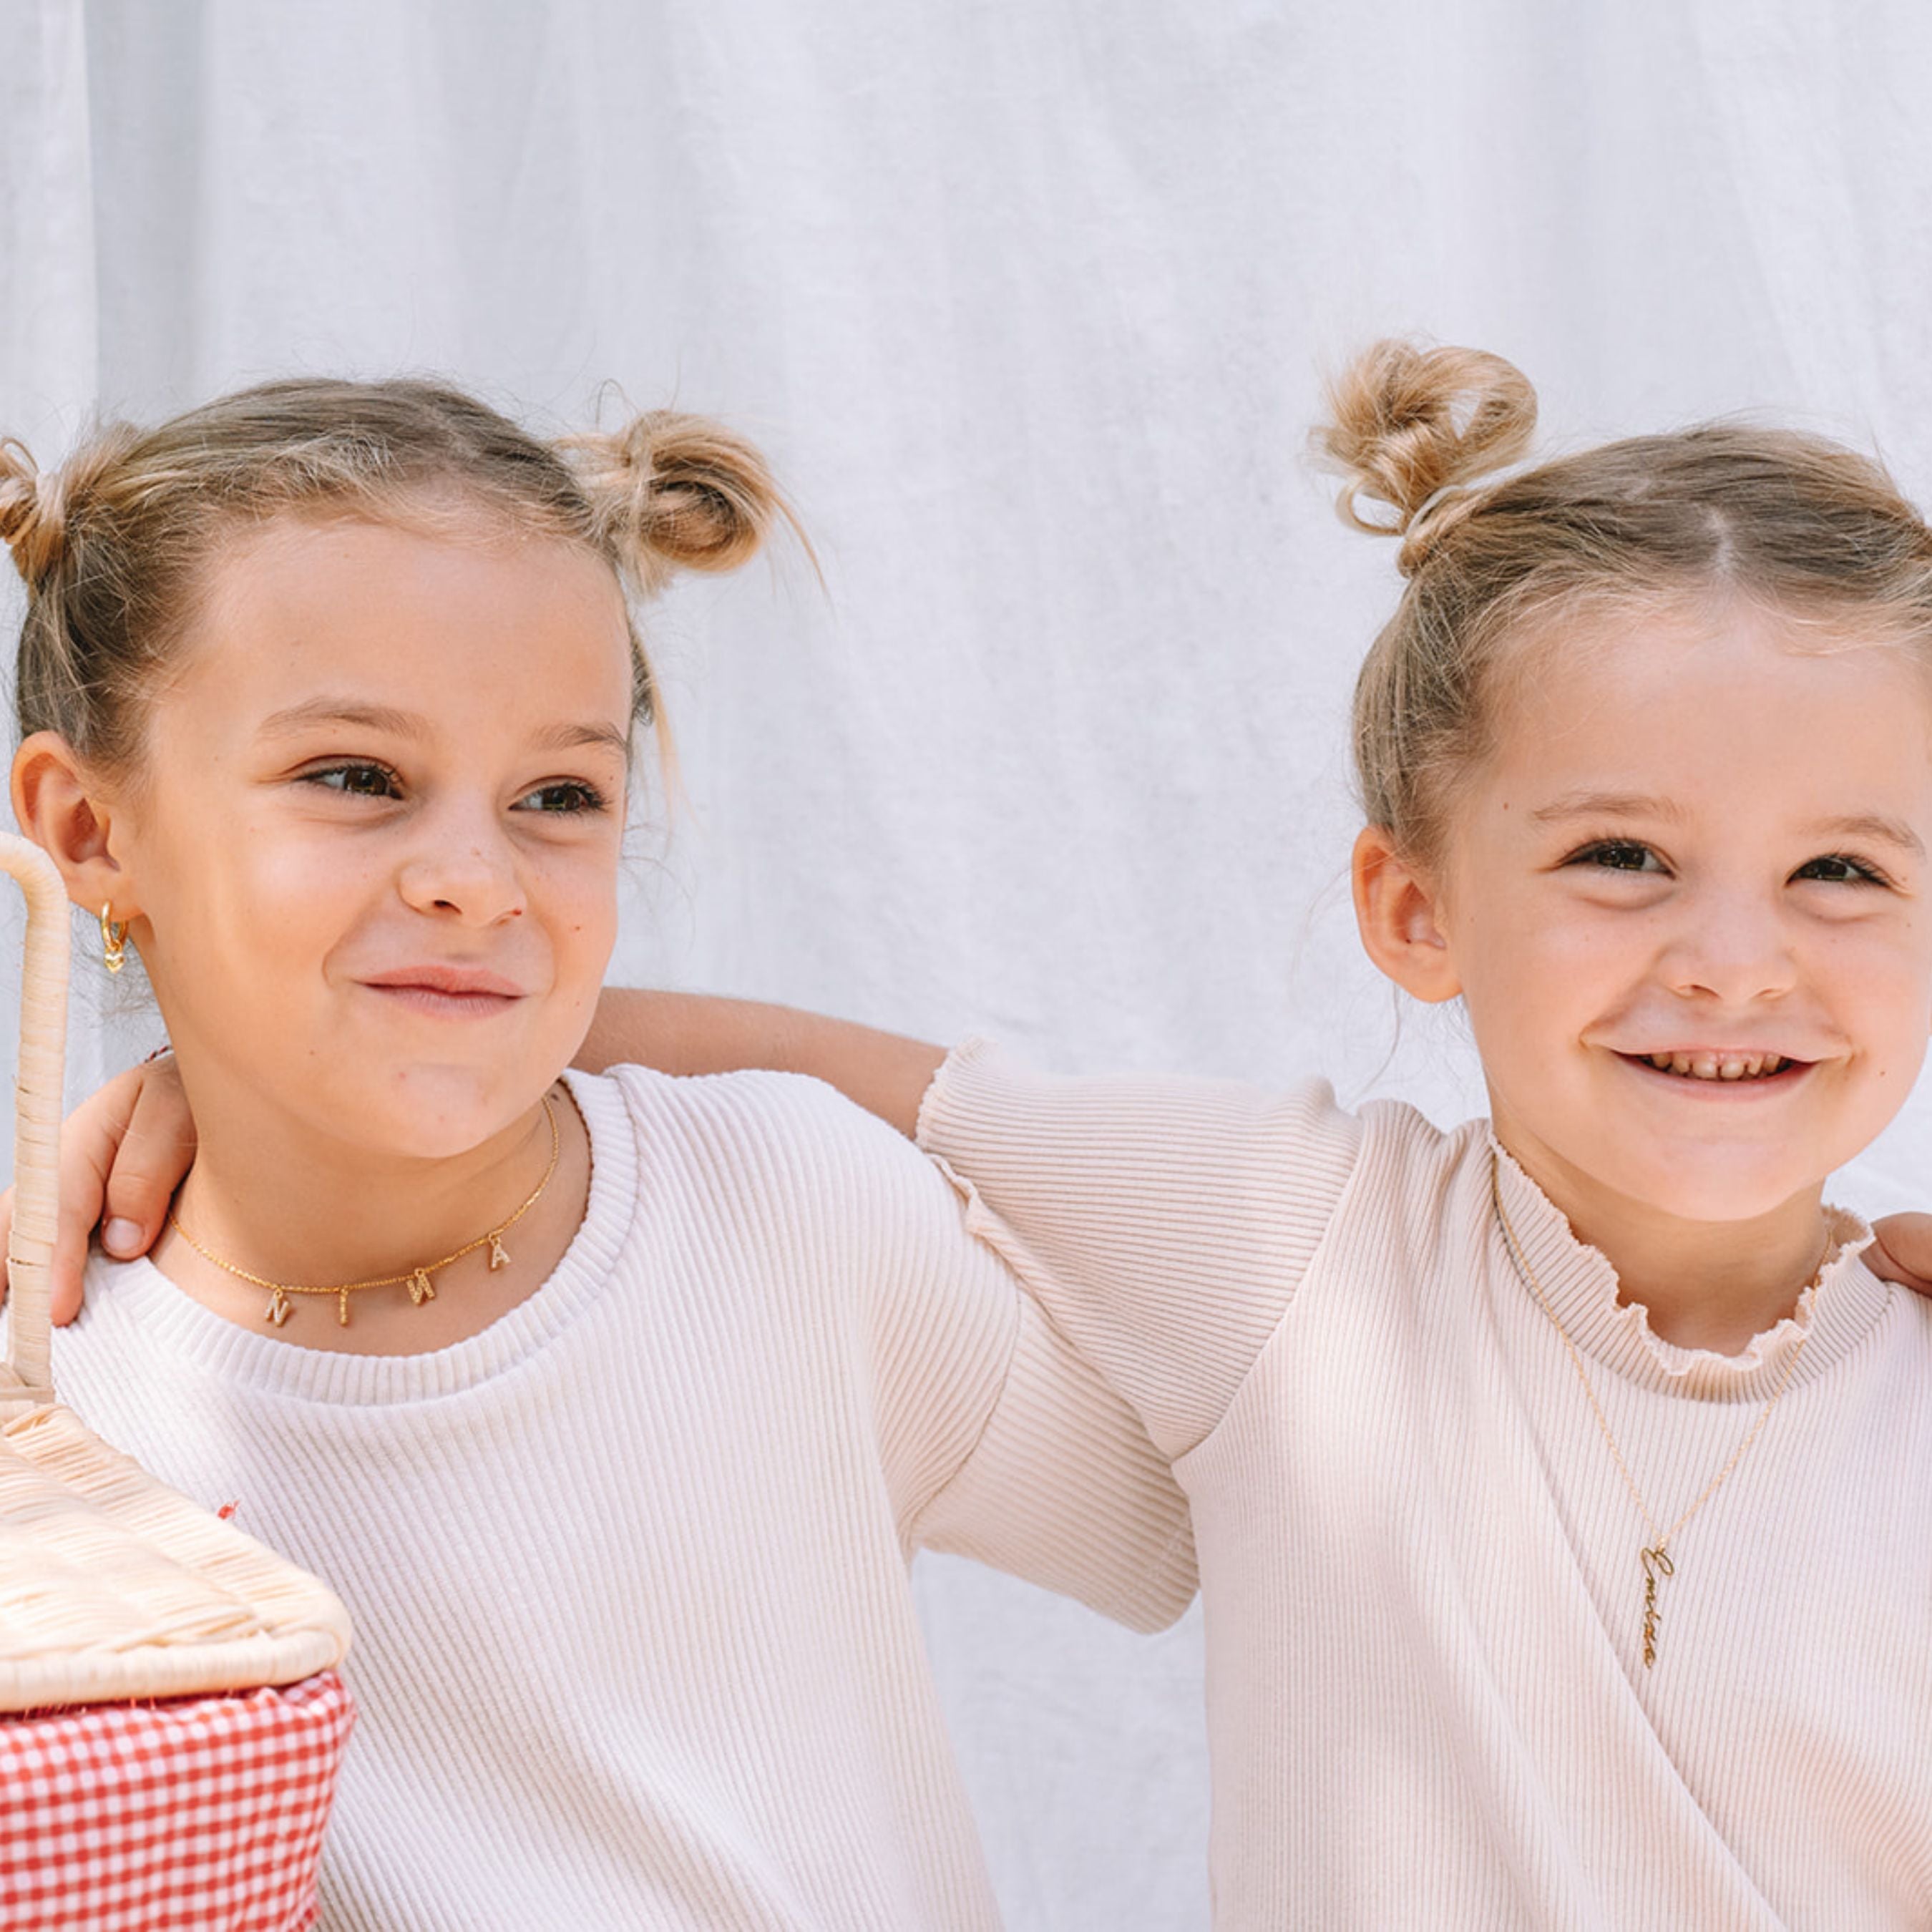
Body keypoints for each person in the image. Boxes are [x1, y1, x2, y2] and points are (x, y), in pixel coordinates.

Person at [31, 341, 1932, 1926]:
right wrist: (267, 1052)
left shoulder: (840, 1224)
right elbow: (914, 1084)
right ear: (1408, 904)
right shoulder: (1296, 1241)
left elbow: (907, 1167)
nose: (1731, 963)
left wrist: (328, 1036)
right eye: (353, 779)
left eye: (1840, 869)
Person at [0, 381, 1194, 1931]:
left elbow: (1251, 1460)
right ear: (86, 833)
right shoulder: (54, 1395)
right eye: (356, 776)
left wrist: (606, 1025)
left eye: (558, 797)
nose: (473, 882)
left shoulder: (793, 1214)